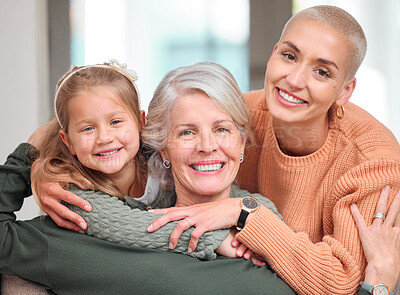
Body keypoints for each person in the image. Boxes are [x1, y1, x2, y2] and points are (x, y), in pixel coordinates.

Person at [140, 5, 400, 294]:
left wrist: (245, 213)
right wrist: (80, 176)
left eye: (322, 72)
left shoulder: (371, 159)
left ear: (344, 91)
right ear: (274, 52)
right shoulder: (234, 117)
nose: (295, 80)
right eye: (289, 56)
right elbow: (153, 144)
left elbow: (342, 284)